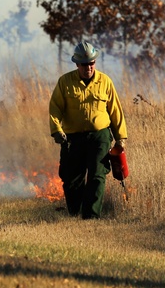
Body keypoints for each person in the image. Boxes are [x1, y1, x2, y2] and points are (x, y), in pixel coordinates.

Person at [48, 40, 127, 219]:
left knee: (97, 175)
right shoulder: (65, 82)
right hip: (72, 138)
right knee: (71, 179)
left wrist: (120, 138)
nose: (88, 67)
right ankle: (75, 212)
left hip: (100, 136)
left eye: (91, 63)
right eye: (84, 64)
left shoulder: (105, 82)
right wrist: (56, 130)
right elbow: (55, 108)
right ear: (77, 64)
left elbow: (115, 111)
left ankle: (91, 216)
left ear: (95, 63)